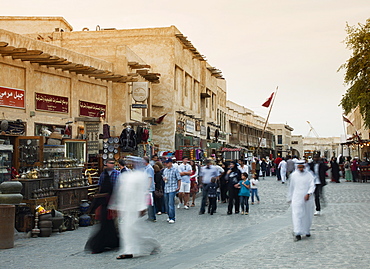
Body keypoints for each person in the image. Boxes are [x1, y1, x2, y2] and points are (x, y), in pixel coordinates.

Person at [112, 158, 160, 259]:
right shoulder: (127, 176)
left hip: (135, 207)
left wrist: (141, 207)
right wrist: (117, 206)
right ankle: (128, 250)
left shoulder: (141, 176)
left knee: (137, 229)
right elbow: (120, 192)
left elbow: (142, 192)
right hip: (126, 207)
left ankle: (152, 243)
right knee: (126, 229)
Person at [85, 159, 120, 254]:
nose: (110, 165)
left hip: (113, 201)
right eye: (109, 163)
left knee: (111, 224)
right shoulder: (103, 175)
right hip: (105, 203)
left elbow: (117, 188)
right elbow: (101, 187)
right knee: (106, 223)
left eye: (112, 163)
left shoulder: (117, 174)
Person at [288, 161, 315, 241]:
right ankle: (297, 232)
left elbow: (312, 185)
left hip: (307, 198)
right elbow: (291, 187)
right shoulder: (293, 176)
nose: (300, 169)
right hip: (296, 197)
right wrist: (290, 197)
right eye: (299, 167)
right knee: (297, 214)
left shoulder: (309, 175)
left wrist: (309, 193)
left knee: (307, 215)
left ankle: (306, 230)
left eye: (302, 167)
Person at [162, 159, 181, 223]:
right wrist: (164, 179)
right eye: (165, 163)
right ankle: (169, 215)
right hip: (166, 188)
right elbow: (164, 177)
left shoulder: (175, 170)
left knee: (171, 203)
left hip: (172, 188)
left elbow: (179, 179)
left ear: (170, 163)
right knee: (166, 203)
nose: (166, 164)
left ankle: (172, 217)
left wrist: (178, 187)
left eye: (167, 163)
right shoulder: (165, 170)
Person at [143, 156, 156, 222]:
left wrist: (148, 188)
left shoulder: (149, 168)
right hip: (147, 188)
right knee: (149, 203)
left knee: (150, 203)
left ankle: (152, 217)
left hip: (149, 188)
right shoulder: (146, 168)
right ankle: (150, 216)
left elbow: (150, 178)